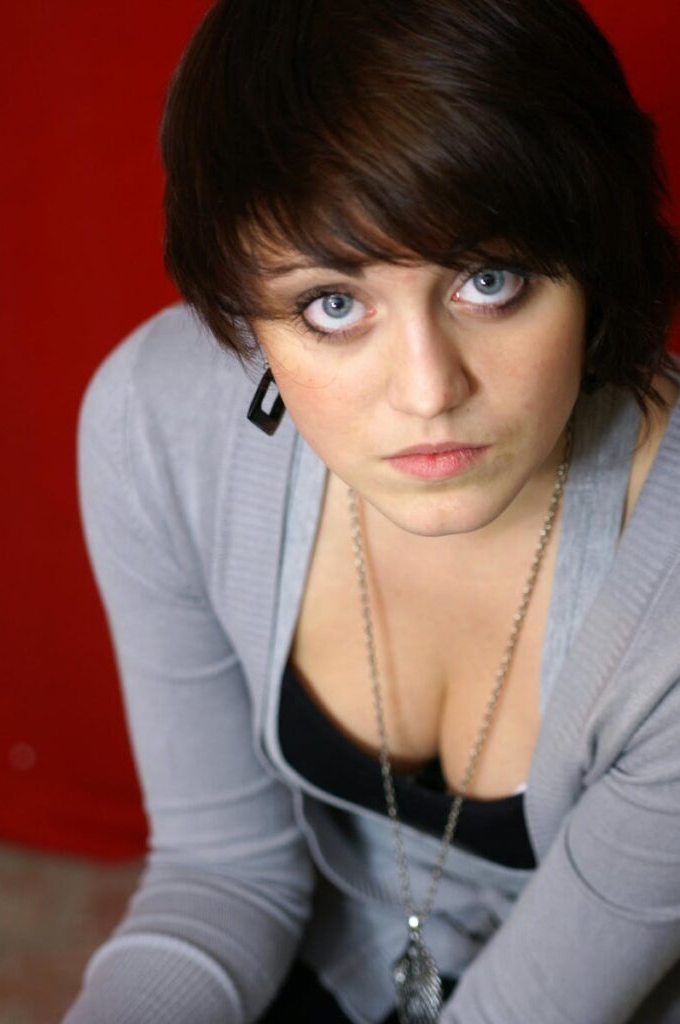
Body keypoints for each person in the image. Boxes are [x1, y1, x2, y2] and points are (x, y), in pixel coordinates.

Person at [64, 1, 680, 1021]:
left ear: (590, 264)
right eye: (332, 304)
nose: (428, 390)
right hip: (344, 947)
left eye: (489, 279)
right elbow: (223, 875)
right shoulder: (161, 425)